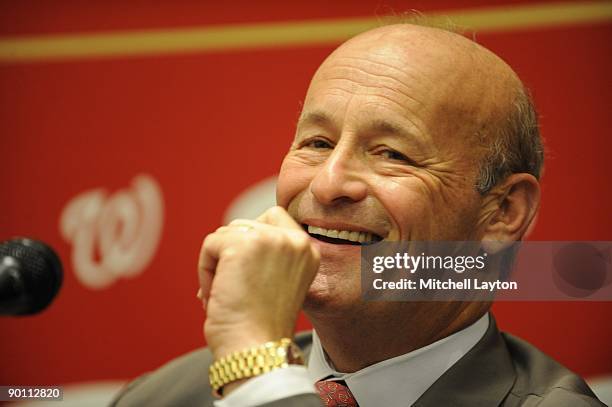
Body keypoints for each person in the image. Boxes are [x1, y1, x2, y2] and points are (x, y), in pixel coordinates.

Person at [111, 23, 604, 406]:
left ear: (503, 212)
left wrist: (256, 371)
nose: (327, 184)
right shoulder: (161, 397)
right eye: (317, 143)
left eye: (391, 154)